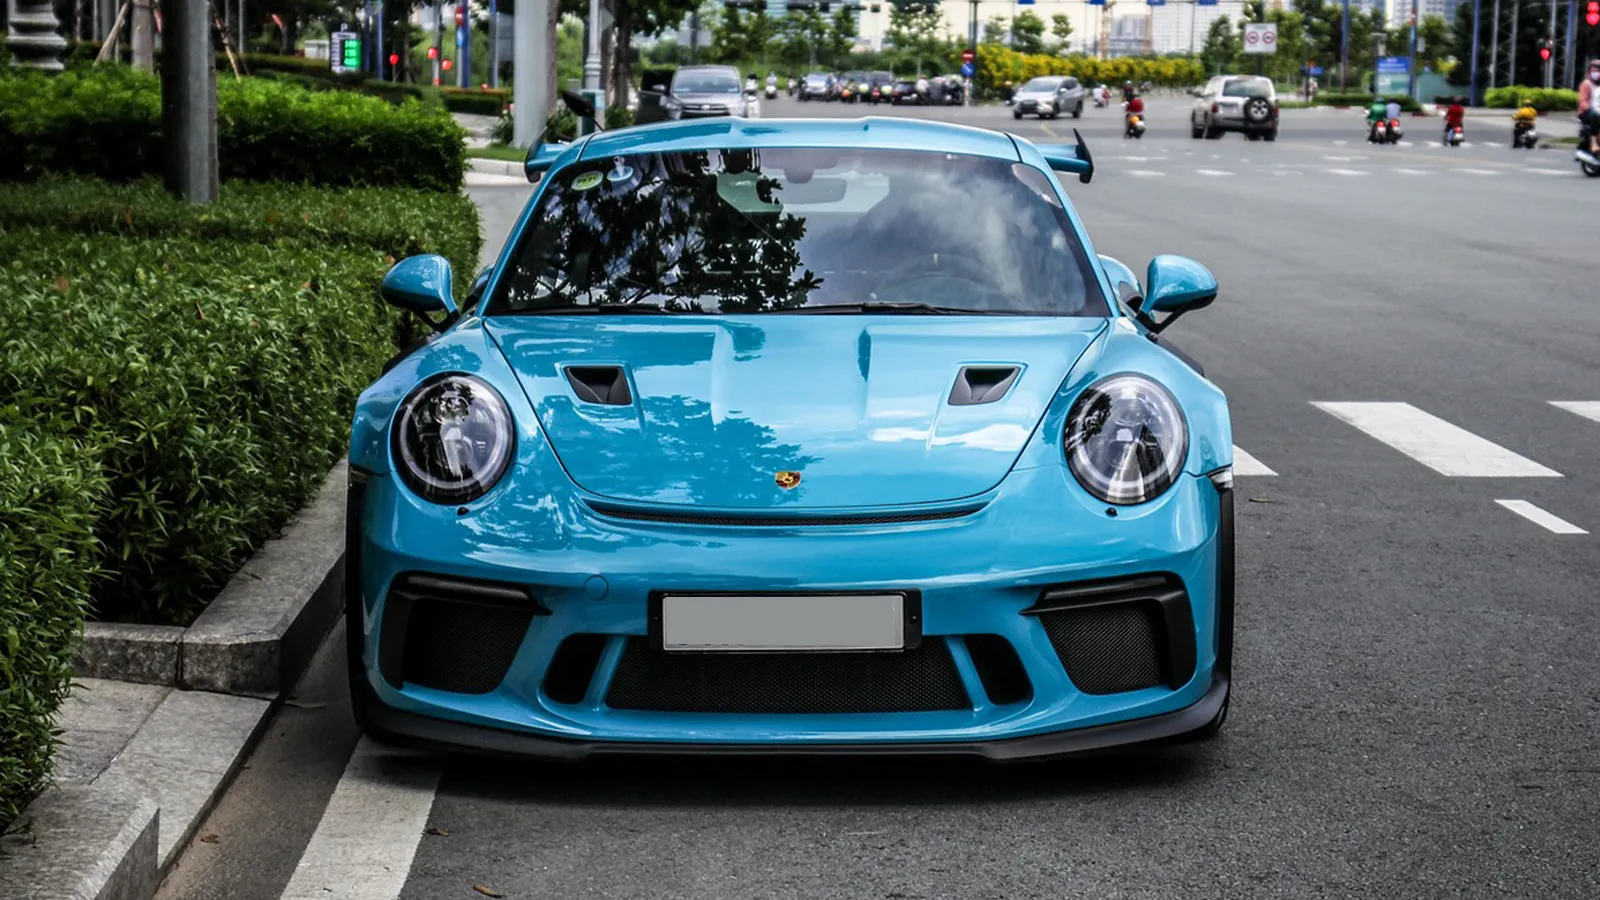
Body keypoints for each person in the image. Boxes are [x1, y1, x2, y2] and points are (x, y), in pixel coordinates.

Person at [1578, 59, 1600, 165]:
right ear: (1590, 71)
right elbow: (1583, 102)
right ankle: (1594, 143)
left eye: (1598, 69)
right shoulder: (1586, 84)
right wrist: (1592, 108)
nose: (1596, 72)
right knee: (1596, 115)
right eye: (1594, 69)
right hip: (1586, 112)